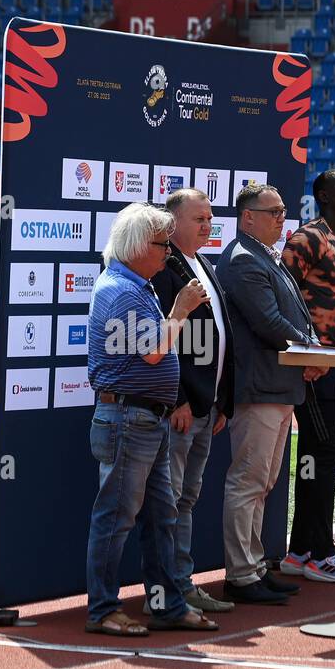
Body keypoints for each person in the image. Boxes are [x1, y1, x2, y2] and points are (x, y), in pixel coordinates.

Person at [84, 201, 219, 637]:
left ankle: (166, 604)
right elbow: (153, 350)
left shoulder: (135, 285)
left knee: (161, 516)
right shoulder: (123, 291)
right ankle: (103, 610)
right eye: (162, 245)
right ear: (140, 245)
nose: (167, 254)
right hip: (129, 418)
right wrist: (179, 310)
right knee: (117, 517)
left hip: (146, 419)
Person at [216, 183, 325, 604]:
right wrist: (310, 350)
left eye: (283, 211)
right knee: (249, 481)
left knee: (262, 482)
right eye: (274, 211)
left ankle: (254, 566)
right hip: (260, 386)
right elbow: (269, 321)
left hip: (278, 386)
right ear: (248, 218)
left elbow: (291, 315)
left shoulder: (265, 256)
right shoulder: (243, 260)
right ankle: (241, 574)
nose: (283, 218)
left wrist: (309, 346)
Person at [152, 187, 236, 614]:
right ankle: (171, 589)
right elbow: (164, 342)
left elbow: (220, 336)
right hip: (182, 409)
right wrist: (178, 400)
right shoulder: (164, 269)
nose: (207, 225)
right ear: (173, 223)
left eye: (209, 219)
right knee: (171, 502)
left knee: (187, 499)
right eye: (198, 219)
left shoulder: (203, 263)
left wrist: (222, 400)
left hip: (209, 407)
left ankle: (182, 585)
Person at [279, 169, 335, 584]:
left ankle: (299, 550)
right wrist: (306, 349)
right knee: (324, 452)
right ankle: (320, 552)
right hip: (312, 365)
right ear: (324, 195)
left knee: (319, 453)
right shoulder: (308, 238)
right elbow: (283, 293)